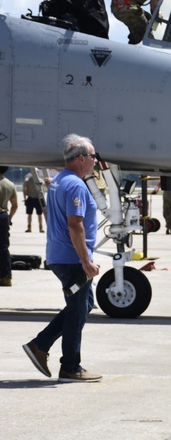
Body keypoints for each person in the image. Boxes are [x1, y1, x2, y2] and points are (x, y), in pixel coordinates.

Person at [22, 135, 102, 382]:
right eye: (92, 157)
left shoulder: (59, 181)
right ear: (80, 159)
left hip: (60, 255)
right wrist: (86, 262)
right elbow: (75, 225)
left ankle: (41, 344)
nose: (95, 161)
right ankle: (69, 366)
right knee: (77, 311)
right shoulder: (76, 185)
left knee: (83, 305)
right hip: (72, 260)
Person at [0, 166, 17, 287]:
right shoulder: (10, 184)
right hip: (3, 216)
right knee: (4, 248)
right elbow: (15, 205)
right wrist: (9, 218)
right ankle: (6, 277)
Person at [22, 168, 46, 234]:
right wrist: (25, 199)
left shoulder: (40, 181)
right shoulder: (28, 180)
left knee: (39, 214)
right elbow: (24, 189)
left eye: (37, 172)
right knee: (29, 214)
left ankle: (41, 227)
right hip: (31, 198)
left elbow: (43, 190)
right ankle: (29, 227)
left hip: (38, 199)